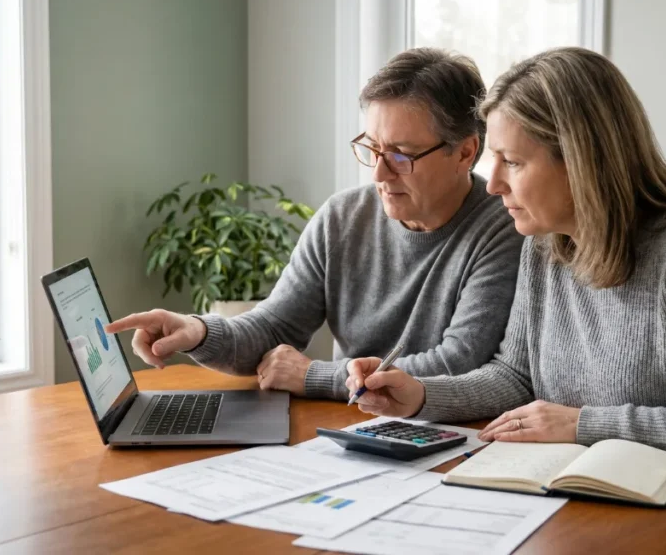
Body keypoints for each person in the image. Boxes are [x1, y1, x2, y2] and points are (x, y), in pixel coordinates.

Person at [344, 47, 666, 458]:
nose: (497, 183)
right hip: (571, 492)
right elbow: (516, 376)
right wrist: (421, 396)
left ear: (581, 161)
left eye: (514, 162)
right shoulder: (544, 246)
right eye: (495, 160)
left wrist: (585, 425)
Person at [106, 48, 524, 401]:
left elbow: (457, 361)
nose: (379, 174)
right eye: (372, 148)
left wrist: (312, 376)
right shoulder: (342, 218)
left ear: (466, 152)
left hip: (451, 440)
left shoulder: (504, 227)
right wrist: (197, 331)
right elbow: (274, 327)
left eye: (401, 154)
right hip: (352, 431)